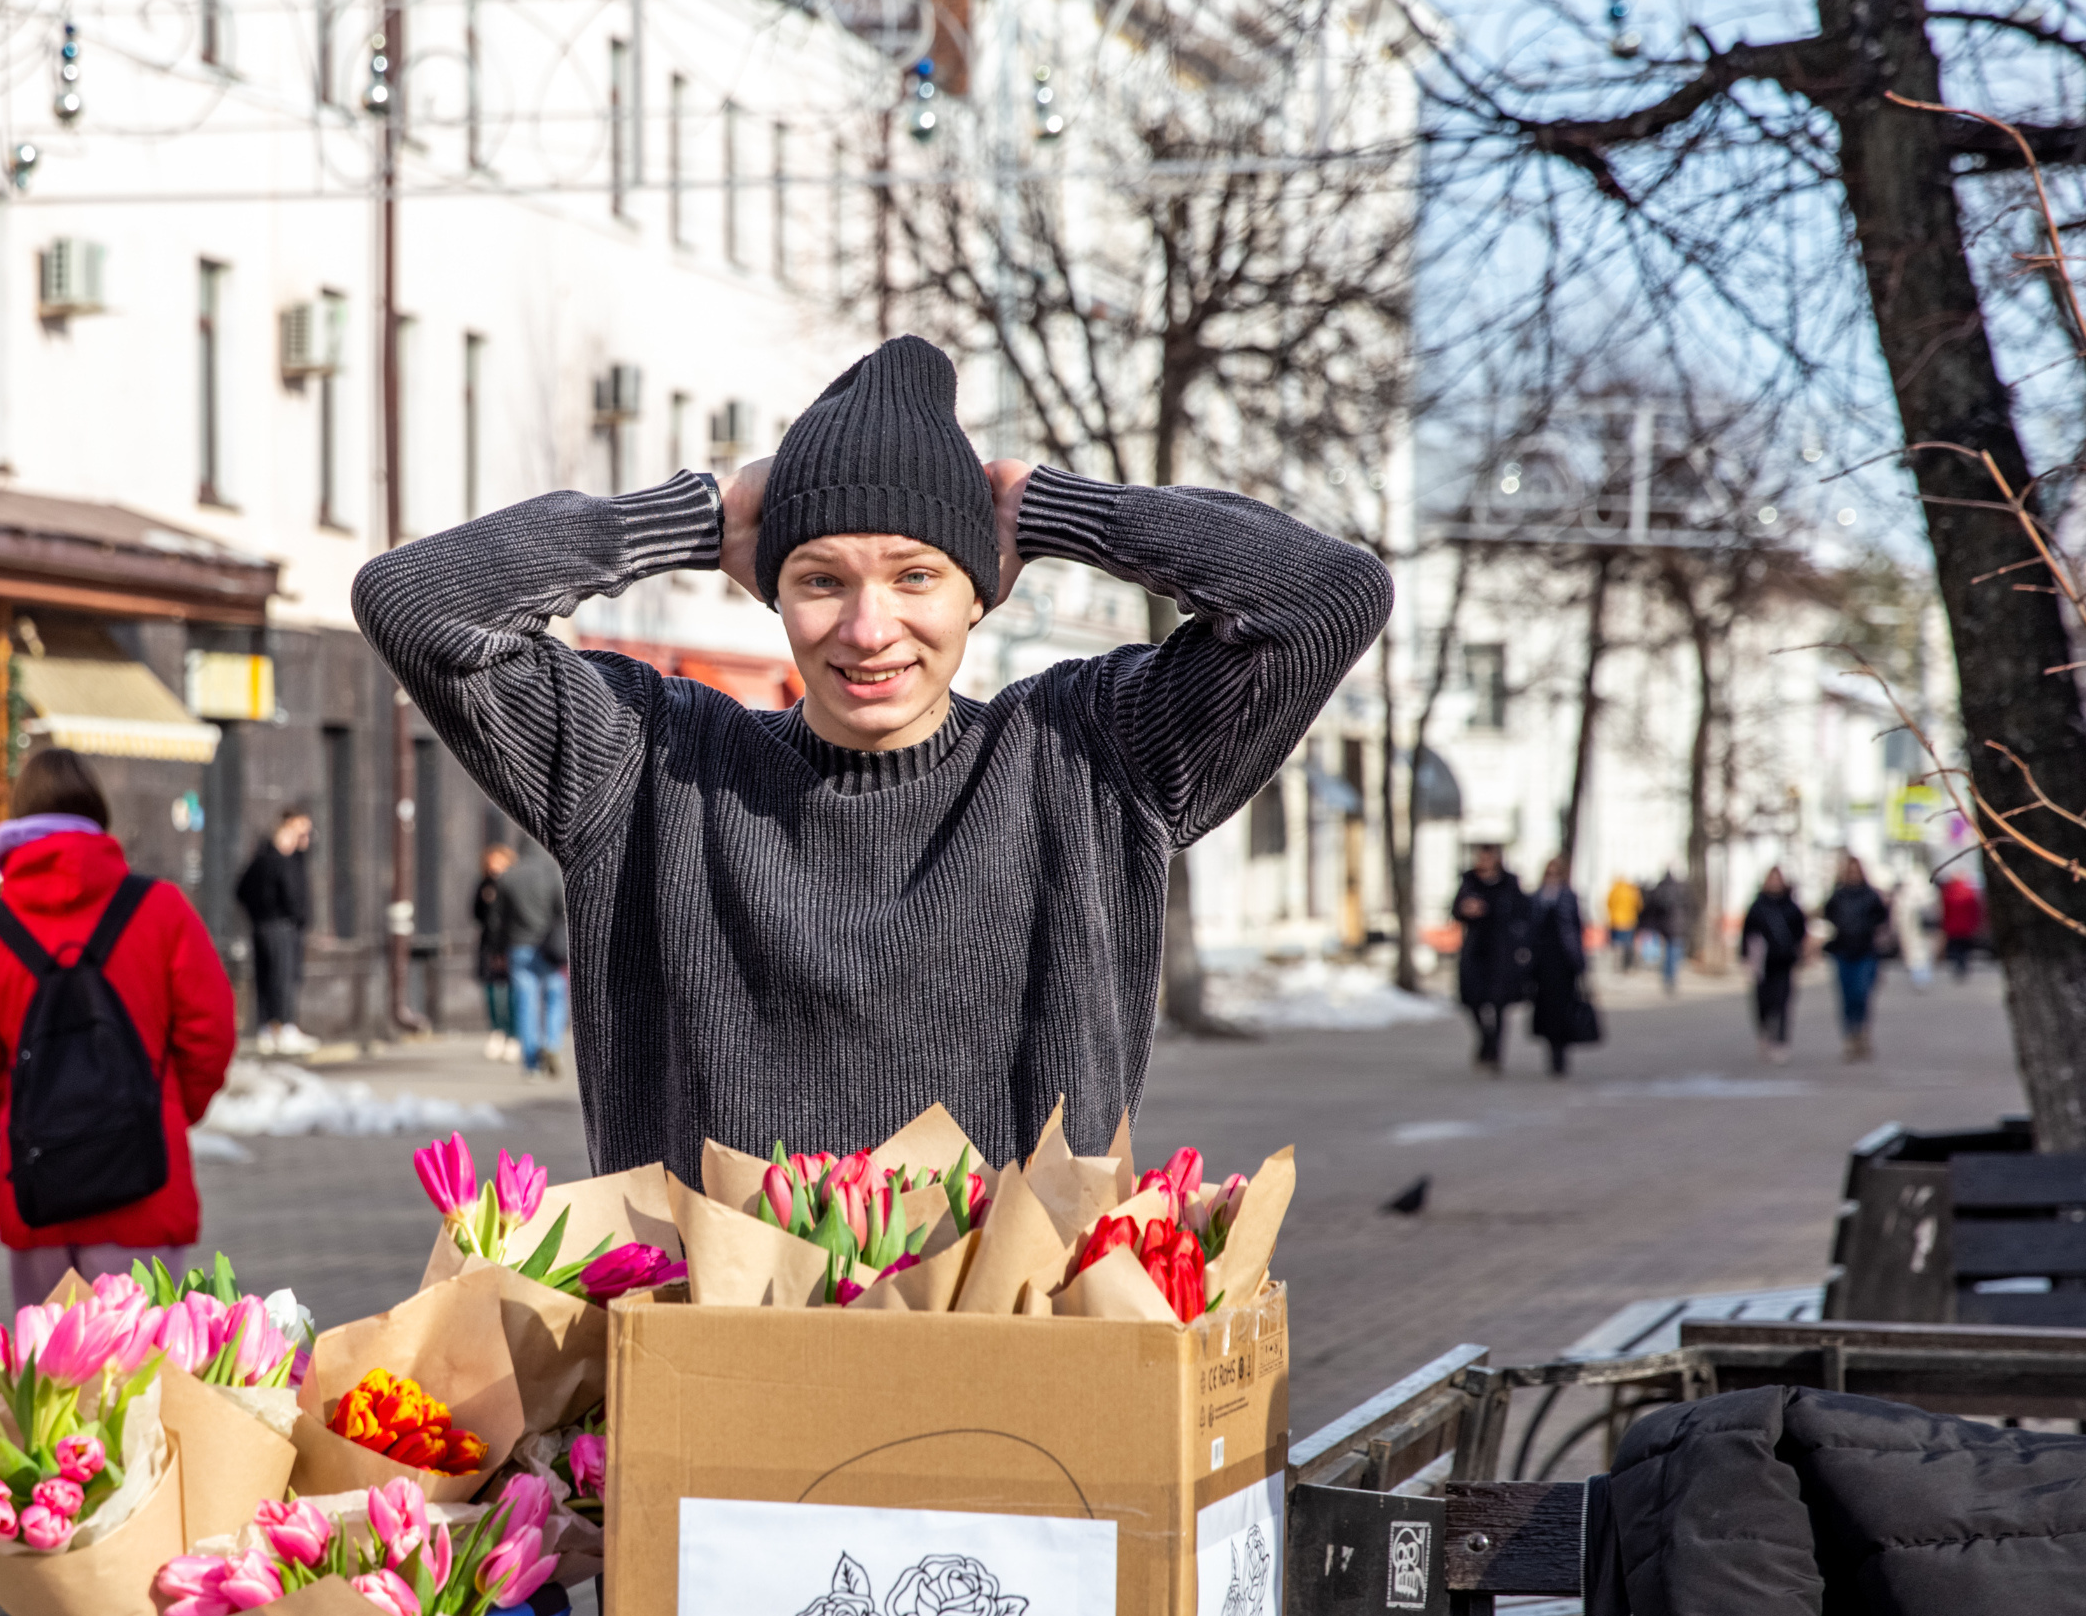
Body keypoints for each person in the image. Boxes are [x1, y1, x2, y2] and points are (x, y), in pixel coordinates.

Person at [352, 335, 1390, 1171]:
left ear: (980, 590)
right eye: (820, 579)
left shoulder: (1083, 760)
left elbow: (1324, 600)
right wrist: (698, 513)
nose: (867, 627)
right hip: (712, 1388)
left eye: (915, 575)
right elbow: (420, 602)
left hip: (1022, 1390)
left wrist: (1053, 511)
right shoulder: (652, 768)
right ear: (770, 590)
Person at [0, 749, 236, 1308]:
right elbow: (211, 1032)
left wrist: (26, 1116)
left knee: (53, 1384)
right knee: (147, 1381)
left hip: (40, 1189)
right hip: (145, 1186)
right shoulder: (161, 909)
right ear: (97, 815)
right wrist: (168, 1106)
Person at [233, 809, 316, 1057]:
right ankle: (279, 1026)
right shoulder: (271, 859)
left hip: (277, 924)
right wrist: (279, 911)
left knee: (280, 976)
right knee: (278, 976)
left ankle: (275, 1027)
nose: (305, 838)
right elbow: (244, 890)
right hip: (277, 924)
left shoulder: (291, 859)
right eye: (300, 830)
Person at [493, 844, 570, 1079]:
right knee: (555, 998)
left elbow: (497, 919)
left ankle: (531, 1062)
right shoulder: (553, 874)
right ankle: (552, 1044)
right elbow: (563, 912)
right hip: (549, 949)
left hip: (519, 946)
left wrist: (497, 949)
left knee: (526, 1003)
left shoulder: (509, 877)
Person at [1452, 845, 1529, 1077]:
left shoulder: (1509, 884)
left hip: (1502, 953)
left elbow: (1522, 914)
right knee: (1473, 1000)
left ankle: (1495, 1051)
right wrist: (1466, 909)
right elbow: (1455, 910)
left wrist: (1520, 944)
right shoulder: (1469, 882)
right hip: (1475, 951)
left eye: (1488, 858)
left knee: (1498, 1004)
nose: (1483, 862)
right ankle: (1485, 1038)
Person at [1526, 855, 1592, 1077]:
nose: (1552, 878)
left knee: (1563, 1009)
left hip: (1564, 963)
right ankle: (1552, 1049)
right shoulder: (1536, 898)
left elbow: (1576, 930)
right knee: (1546, 1011)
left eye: (1556, 873)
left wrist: (1580, 963)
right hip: (1542, 964)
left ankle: (1561, 1052)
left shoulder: (1568, 897)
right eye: (1549, 873)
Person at [1820, 854, 1890, 1062]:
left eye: (1855, 871)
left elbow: (1883, 917)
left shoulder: (1871, 895)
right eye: (1849, 871)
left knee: (1861, 993)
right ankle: (1850, 1035)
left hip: (1866, 951)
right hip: (1843, 950)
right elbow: (1827, 914)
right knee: (1847, 996)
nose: (1852, 875)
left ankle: (1862, 1031)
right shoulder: (1838, 896)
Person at [1740, 865, 1809, 1063]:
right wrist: (1746, 958)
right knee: (1762, 1003)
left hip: (1784, 962)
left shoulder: (1791, 907)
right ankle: (1764, 1032)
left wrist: (1801, 954)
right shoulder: (1757, 906)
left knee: (1782, 1002)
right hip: (1762, 963)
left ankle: (1780, 1041)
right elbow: (1747, 933)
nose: (1775, 883)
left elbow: (1800, 932)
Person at [470, 843, 517, 1062]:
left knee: (511, 993)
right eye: (491, 863)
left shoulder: (513, 885)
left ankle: (513, 1035)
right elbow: (476, 914)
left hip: (510, 945)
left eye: (499, 862)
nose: (495, 867)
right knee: (492, 992)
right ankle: (497, 1031)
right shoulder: (484, 885)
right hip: (489, 945)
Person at [1648, 870, 1689, 993]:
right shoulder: (1680, 888)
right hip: (1678, 926)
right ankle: (1671, 977)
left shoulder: (1660, 888)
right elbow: (1688, 907)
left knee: (1667, 952)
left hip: (1665, 926)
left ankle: (1667, 977)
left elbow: (1653, 907)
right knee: (1674, 952)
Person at [1938, 870, 1984, 978]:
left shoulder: (1949, 892)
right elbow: (1975, 910)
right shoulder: (1969, 892)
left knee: (1956, 947)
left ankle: (1958, 965)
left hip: (1953, 926)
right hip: (1966, 927)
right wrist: (1976, 924)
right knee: (1964, 948)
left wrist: (1944, 924)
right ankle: (1962, 965)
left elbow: (1945, 911)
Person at [1603, 872, 1642, 974]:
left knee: (1616, 944)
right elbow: (1639, 905)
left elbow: (1608, 903)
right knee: (1627, 945)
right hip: (1629, 921)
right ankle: (1626, 966)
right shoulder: (1631, 891)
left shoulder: (1614, 889)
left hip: (1615, 921)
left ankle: (1616, 965)